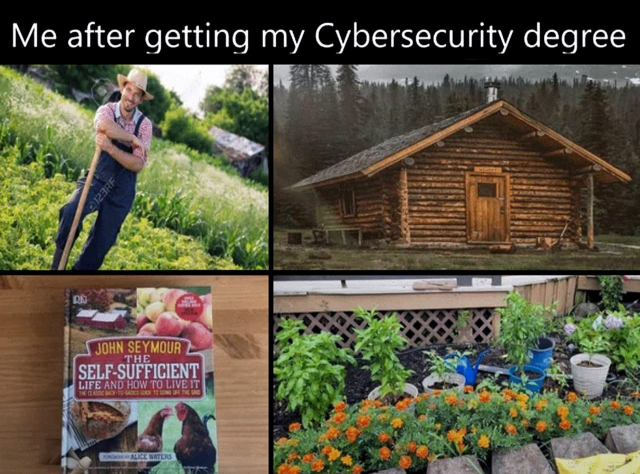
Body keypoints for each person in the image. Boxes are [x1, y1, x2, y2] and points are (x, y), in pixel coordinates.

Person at [51, 68, 153, 270]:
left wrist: (110, 147)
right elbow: (105, 126)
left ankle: (76, 280)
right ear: (122, 88)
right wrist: (132, 139)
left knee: (99, 246)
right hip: (97, 179)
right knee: (71, 212)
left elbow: (137, 165)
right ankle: (56, 272)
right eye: (129, 91)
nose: (131, 98)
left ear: (141, 100)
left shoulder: (145, 125)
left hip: (122, 192)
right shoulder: (106, 110)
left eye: (137, 95)